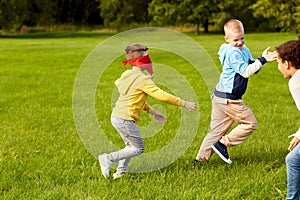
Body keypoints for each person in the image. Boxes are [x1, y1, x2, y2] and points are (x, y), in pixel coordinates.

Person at [98, 43, 197, 179]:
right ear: (143, 61)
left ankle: (120, 173)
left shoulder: (127, 74)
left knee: (129, 146)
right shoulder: (143, 80)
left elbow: (136, 100)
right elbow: (162, 95)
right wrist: (183, 103)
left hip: (117, 117)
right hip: (125, 119)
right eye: (147, 57)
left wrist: (153, 112)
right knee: (138, 148)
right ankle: (107, 158)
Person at [193, 19, 277, 164]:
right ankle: (222, 144)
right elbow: (245, 72)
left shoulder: (243, 49)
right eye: (236, 40)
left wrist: (262, 60)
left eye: (242, 38)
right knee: (250, 123)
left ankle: (199, 160)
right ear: (227, 39)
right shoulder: (232, 53)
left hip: (219, 96)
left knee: (216, 131)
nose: (240, 42)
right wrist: (262, 60)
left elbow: (252, 66)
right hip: (229, 99)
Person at [276, 37, 300, 200]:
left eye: (278, 62)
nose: (278, 67)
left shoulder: (296, 82)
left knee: (293, 160)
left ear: (286, 63)